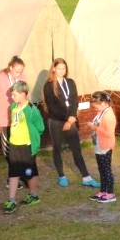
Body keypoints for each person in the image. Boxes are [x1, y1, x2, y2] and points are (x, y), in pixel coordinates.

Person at [41, 58, 100, 186]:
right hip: (56, 121)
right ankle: (61, 176)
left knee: (76, 148)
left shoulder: (70, 82)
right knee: (57, 148)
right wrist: (66, 120)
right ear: (54, 69)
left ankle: (86, 177)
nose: (62, 71)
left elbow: (74, 100)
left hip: (71, 120)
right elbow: (52, 107)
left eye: (64, 68)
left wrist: (72, 116)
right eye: (59, 68)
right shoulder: (49, 86)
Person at [5, 81, 44, 214]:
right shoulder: (13, 107)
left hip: (27, 145)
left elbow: (40, 127)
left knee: (29, 172)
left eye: (14, 94)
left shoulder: (32, 110)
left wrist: (32, 139)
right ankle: (11, 200)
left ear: (23, 94)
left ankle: (33, 195)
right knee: (13, 172)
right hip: (14, 144)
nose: (12, 97)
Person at [0, 56, 26, 158]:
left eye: (21, 71)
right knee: (8, 152)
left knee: (19, 147)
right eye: (17, 71)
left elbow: (25, 97)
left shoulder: (23, 78)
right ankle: (12, 168)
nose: (18, 74)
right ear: (10, 67)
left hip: (19, 118)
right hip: (4, 118)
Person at [89, 91, 118, 202]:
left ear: (104, 103)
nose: (95, 108)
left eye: (96, 106)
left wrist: (95, 128)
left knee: (106, 170)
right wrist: (93, 125)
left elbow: (109, 134)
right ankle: (103, 191)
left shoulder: (109, 115)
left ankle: (110, 193)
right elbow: (98, 124)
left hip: (105, 146)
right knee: (101, 170)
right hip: (99, 145)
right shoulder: (102, 112)